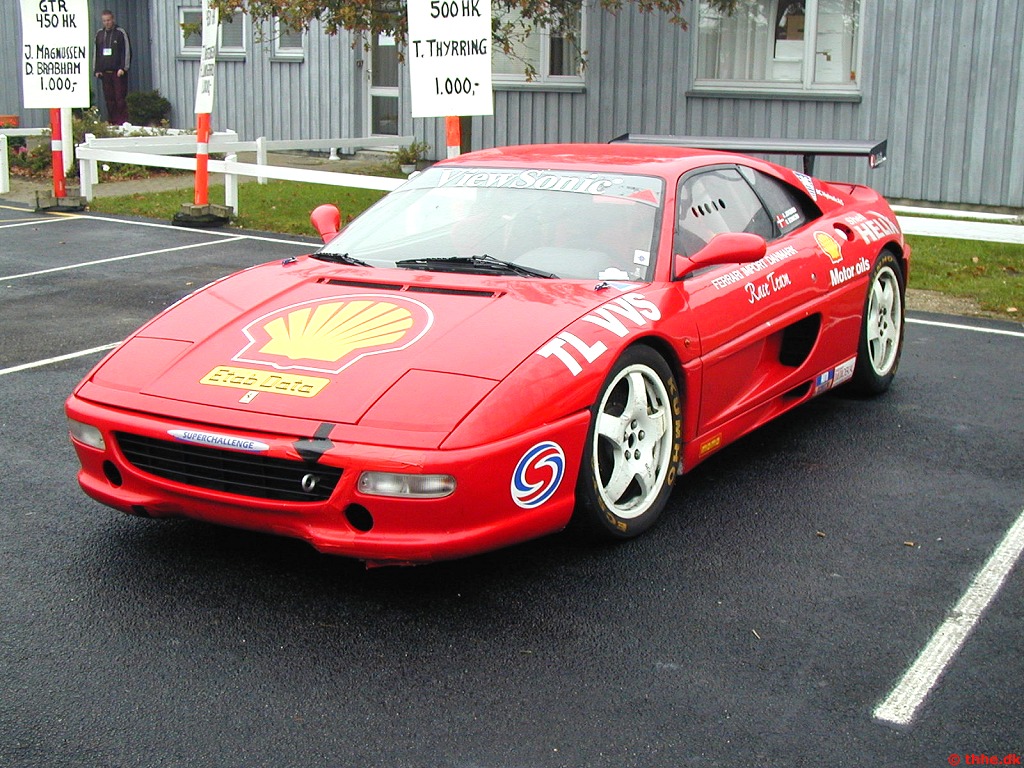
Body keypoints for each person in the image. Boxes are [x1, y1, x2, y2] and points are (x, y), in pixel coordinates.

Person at [94, 10, 131, 125]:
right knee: (109, 100)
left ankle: (122, 121)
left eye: (108, 20)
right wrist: (97, 69)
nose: (107, 23)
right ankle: (112, 122)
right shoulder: (99, 34)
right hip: (105, 73)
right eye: (104, 21)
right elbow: (96, 53)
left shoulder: (120, 33)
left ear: (113, 19)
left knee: (120, 99)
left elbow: (127, 51)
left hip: (118, 72)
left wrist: (123, 68)